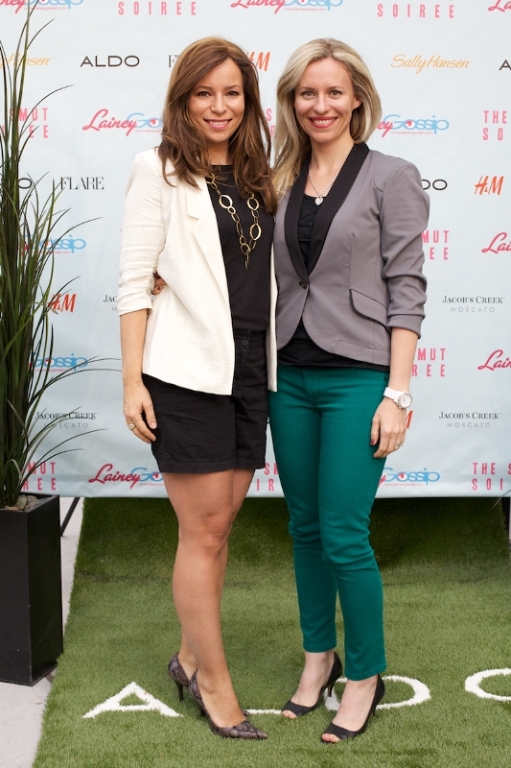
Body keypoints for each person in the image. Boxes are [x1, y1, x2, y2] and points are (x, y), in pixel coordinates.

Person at [268, 38, 429, 743]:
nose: (320, 105)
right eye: (307, 92)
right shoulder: (275, 175)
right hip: (287, 375)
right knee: (304, 528)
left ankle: (363, 674)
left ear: (357, 97)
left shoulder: (391, 176)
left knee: (342, 531)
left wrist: (398, 394)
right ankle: (318, 659)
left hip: (358, 377)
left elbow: (406, 287)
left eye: (334, 91)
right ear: (291, 100)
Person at [118, 37, 277, 740]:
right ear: (182, 101)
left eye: (231, 93)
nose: (219, 106)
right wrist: (132, 380)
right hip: (184, 373)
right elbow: (134, 282)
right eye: (204, 94)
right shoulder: (156, 169)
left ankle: (187, 658)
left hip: (251, 369)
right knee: (203, 531)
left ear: (248, 101)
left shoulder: (261, 173)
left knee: (221, 525)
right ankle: (213, 684)